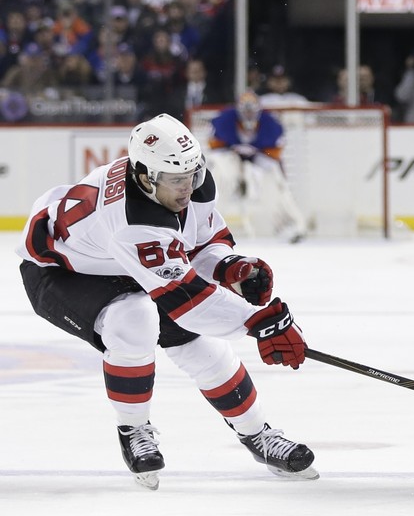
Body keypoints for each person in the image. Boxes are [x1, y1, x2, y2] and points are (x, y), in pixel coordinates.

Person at [16, 113, 317, 490]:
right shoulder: (131, 220)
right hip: (61, 273)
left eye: (192, 175)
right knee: (134, 319)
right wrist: (261, 323)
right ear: (144, 176)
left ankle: (258, 435)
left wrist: (231, 267)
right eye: (176, 180)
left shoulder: (186, 182)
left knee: (206, 350)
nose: (187, 188)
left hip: (120, 261)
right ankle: (133, 428)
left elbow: (202, 241)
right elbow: (186, 300)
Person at [208, 90, 308, 242]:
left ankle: (288, 224)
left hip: (261, 157)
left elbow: (274, 155)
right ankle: (209, 224)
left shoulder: (271, 125)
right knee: (220, 177)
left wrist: (254, 171)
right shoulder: (225, 120)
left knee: (275, 183)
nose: (248, 115)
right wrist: (236, 170)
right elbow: (215, 150)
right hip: (231, 155)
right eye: (245, 110)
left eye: (251, 110)